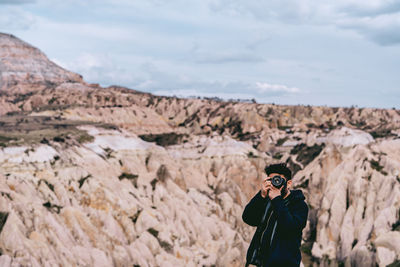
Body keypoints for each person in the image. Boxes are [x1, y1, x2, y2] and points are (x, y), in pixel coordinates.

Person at [242, 163, 309, 267]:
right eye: (271, 180)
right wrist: (261, 195)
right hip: (257, 263)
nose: (275, 183)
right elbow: (248, 218)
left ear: (289, 183)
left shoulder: (299, 205)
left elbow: (290, 228)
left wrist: (277, 200)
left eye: (279, 180)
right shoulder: (266, 200)